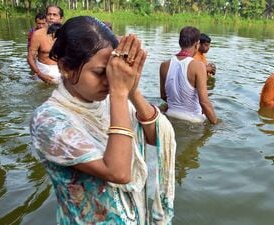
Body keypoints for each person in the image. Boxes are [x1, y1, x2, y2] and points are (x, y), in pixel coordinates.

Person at [30, 16, 176, 224]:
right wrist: (119, 92)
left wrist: (132, 90)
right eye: (100, 73)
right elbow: (118, 172)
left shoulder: (111, 101)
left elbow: (156, 137)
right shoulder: (48, 121)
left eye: (112, 72)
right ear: (65, 67)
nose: (109, 82)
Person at [159, 26, 218, 124]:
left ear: (179, 43)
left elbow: (163, 95)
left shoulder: (164, 65)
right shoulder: (199, 66)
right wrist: (216, 124)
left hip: (170, 116)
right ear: (197, 44)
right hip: (194, 120)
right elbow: (204, 102)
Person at [27, 5, 64, 84]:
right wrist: (39, 74)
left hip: (61, 72)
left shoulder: (66, 33)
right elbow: (30, 57)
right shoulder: (37, 34)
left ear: (61, 19)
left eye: (54, 15)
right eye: (49, 14)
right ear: (46, 17)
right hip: (42, 71)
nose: (51, 17)